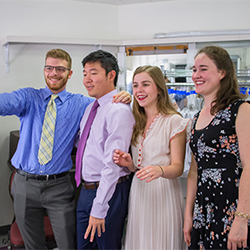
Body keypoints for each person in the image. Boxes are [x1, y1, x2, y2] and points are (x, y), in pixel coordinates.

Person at [0, 48, 130, 250]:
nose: (54, 73)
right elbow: (3, 103)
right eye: (49, 68)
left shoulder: (83, 104)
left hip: (58, 187)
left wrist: (125, 94)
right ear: (44, 70)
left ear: (69, 74)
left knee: (69, 244)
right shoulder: (28, 97)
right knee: (33, 246)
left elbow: (106, 101)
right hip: (24, 184)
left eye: (60, 69)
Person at [113, 65, 190, 250]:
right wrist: (130, 164)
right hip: (139, 193)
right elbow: (138, 166)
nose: (139, 90)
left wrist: (160, 170)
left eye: (145, 84)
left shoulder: (174, 121)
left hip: (164, 194)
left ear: (159, 89)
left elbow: (178, 167)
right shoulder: (135, 121)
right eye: (136, 85)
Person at [183, 45, 250, 250]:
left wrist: (241, 218)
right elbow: (195, 170)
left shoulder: (241, 109)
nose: (196, 75)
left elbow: (249, 166)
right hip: (204, 208)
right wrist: (188, 214)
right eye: (194, 70)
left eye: (203, 69)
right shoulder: (195, 118)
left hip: (233, 205)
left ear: (222, 73)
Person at [75, 50, 134, 250]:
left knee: (106, 246)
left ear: (111, 75)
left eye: (93, 73)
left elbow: (113, 163)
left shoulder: (118, 110)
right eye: (84, 73)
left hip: (109, 190)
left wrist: (100, 207)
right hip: (86, 189)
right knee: (84, 246)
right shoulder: (91, 108)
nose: (87, 79)